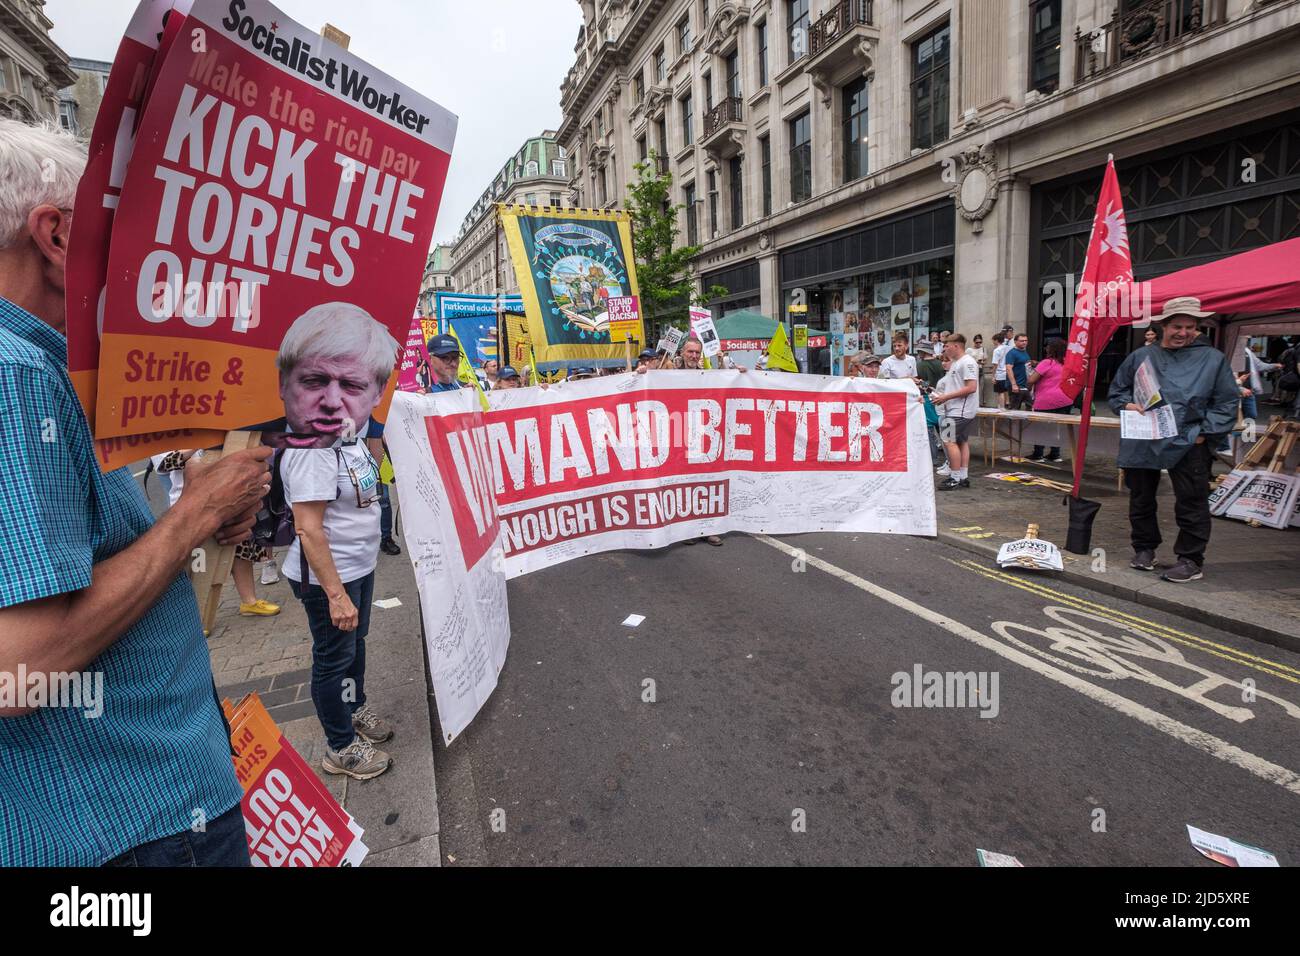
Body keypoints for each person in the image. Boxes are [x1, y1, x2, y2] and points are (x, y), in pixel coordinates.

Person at [0, 118, 273, 866]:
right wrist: (192, 517)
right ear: (56, 238)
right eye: (110, 232)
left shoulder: (43, 369)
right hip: (131, 823)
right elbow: (16, 670)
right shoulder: (17, 373)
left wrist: (191, 512)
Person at [279, 305, 399, 780]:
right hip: (326, 577)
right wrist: (335, 594)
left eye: (352, 385)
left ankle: (355, 709)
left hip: (359, 566)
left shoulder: (350, 440)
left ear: (374, 392)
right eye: (316, 382)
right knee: (332, 658)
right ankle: (339, 746)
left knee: (356, 646)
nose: (334, 401)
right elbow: (308, 528)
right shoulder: (311, 449)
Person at [1108, 297, 1240, 583]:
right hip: (1144, 437)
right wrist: (1127, 405)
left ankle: (1191, 559)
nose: (1184, 332)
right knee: (1141, 497)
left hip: (1190, 439)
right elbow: (1117, 393)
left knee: (1191, 500)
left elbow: (1227, 402)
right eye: (1177, 326)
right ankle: (1144, 549)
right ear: (1163, 325)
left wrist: (1204, 435)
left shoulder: (1212, 359)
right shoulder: (1140, 356)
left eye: (1191, 327)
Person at [931, 334, 980, 490]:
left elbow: (971, 387)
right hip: (958, 410)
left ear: (956, 346)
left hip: (959, 411)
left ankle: (955, 477)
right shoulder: (956, 363)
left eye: (947, 345)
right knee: (961, 441)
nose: (945, 348)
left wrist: (945, 397)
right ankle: (963, 477)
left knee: (948, 441)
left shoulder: (967, 362)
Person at [1026, 338, 1072, 463]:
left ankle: (1038, 453)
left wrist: (1028, 388)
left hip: (1046, 400)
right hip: (1065, 399)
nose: (1046, 348)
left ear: (1052, 349)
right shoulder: (1067, 362)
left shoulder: (1047, 362)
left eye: (1048, 347)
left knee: (1041, 427)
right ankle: (1055, 454)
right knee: (1056, 428)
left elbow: (1031, 380)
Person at [1004, 333, 1035, 411]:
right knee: (1014, 411)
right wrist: (1014, 384)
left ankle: (1023, 423)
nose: (1024, 342)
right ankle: (1014, 423)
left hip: (1025, 386)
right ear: (1015, 341)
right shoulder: (1011, 353)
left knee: (1030, 409)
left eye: (1026, 340)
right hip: (1016, 386)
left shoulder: (1024, 352)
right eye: (1021, 341)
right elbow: (1008, 368)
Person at [991, 331, 1014, 408]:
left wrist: (993, 376)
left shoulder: (996, 350)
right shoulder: (1008, 348)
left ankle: (1001, 408)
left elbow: (995, 364)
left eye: (993, 340)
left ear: (996, 340)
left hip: (1000, 373)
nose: (993, 342)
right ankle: (1007, 404)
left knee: (1000, 392)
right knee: (1006, 390)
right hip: (1008, 373)